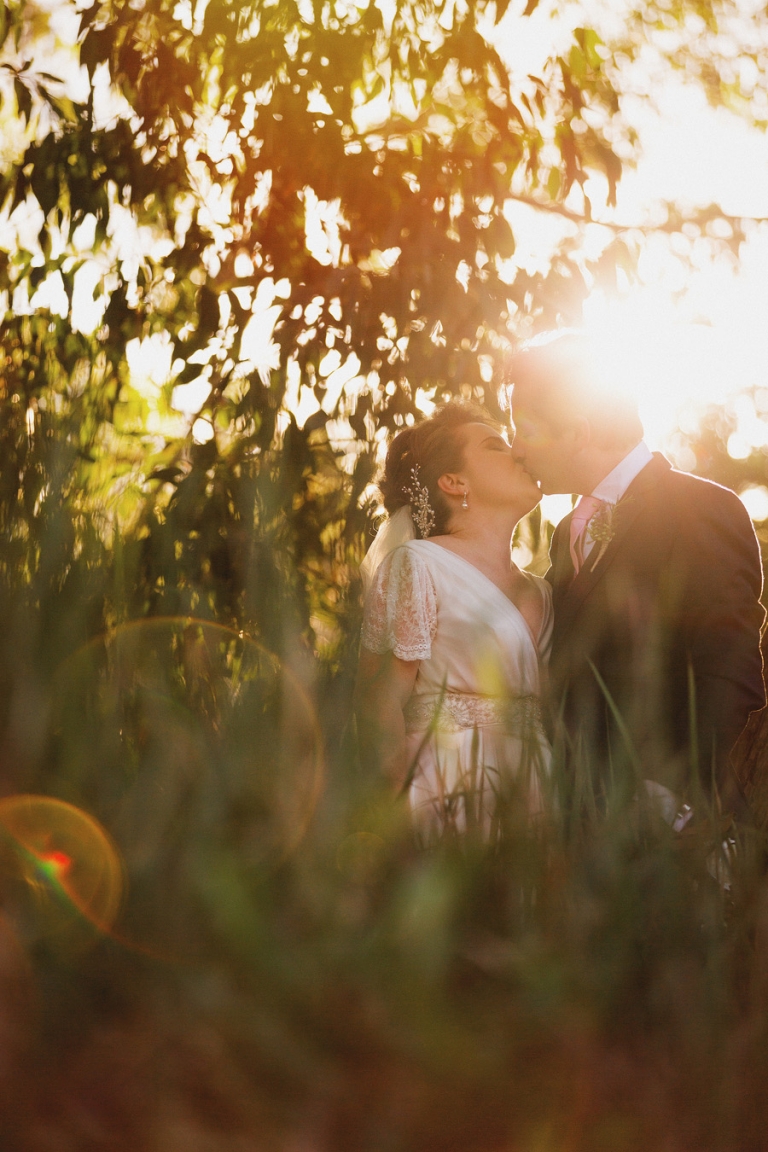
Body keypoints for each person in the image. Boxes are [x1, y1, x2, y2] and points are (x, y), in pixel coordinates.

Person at [507, 331, 765, 822]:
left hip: (671, 820)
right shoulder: (566, 534)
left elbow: (728, 676)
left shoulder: (703, 509)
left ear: (578, 433)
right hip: (581, 818)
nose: (516, 449)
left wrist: (697, 810)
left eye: (525, 429)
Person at [355, 402, 552, 841]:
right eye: (495, 446)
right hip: (445, 784)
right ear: (454, 482)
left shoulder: (542, 591)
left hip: (532, 785)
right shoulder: (419, 564)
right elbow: (377, 702)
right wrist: (400, 812)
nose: (519, 453)